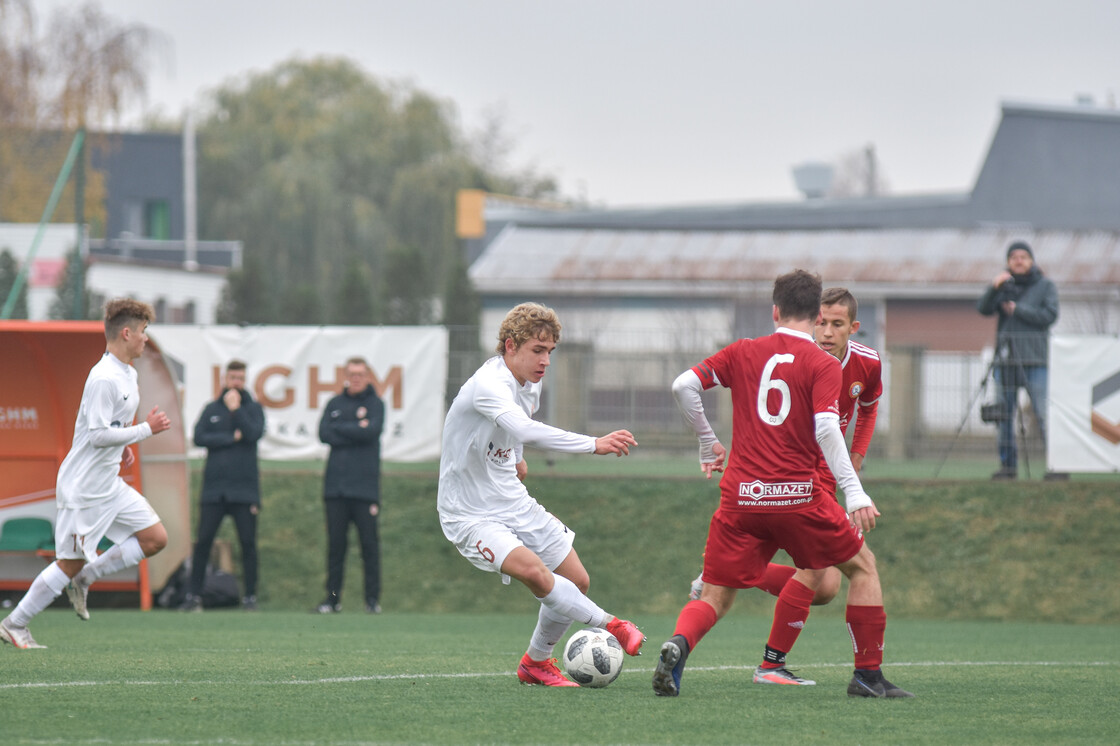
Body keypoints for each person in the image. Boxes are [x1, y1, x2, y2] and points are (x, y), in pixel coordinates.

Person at [652, 270, 912, 699]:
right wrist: (856, 491)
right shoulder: (823, 363)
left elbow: (684, 385)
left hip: (741, 498)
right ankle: (867, 676)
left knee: (720, 593)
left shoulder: (743, 351)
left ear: (774, 311)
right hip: (799, 497)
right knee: (862, 568)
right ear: (815, 316)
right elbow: (828, 428)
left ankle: (678, 646)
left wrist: (707, 443)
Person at [437, 302, 646, 687]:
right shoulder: (489, 385)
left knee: (577, 579)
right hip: (469, 513)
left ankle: (535, 662)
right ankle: (612, 623)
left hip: (511, 498)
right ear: (510, 346)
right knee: (535, 572)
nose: (545, 360)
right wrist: (593, 444)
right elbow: (526, 428)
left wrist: (516, 458)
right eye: (537, 350)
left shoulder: (529, 382)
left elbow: (520, 429)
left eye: (550, 351)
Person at [687, 287, 882, 612]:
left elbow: (869, 407)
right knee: (837, 573)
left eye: (838, 324)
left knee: (826, 588)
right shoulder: (792, 359)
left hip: (826, 471)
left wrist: (856, 458)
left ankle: (722, 575)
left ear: (853, 327)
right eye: (823, 323)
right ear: (812, 320)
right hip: (790, 476)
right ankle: (772, 659)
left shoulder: (868, 363)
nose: (827, 332)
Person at [1, 299, 172, 649]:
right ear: (126, 333)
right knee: (67, 563)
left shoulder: (128, 373)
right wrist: (144, 431)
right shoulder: (103, 378)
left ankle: (87, 577)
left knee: (155, 538)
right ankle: (14, 624)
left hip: (108, 484)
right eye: (142, 332)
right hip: (83, 488)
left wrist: (121, 445)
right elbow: (95, 436)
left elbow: (109, 428)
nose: (145, 339)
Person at [181, 360, 265, 612]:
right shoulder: (211, 409)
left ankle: (250, 596)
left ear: (245, 380)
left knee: (248, 543)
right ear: (225, 379)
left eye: (240, 378)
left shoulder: (253, 409)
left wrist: (237, 410)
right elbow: (199, 437)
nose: (236, 382)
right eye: (232, 378)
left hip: (244, 491)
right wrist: (230, 438)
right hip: (214, 490)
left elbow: (253, 434)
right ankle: (193, 596)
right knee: (204, 541)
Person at [977, 240, 1059, 480]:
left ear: (1032, 261)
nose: (1019, 260)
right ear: (1008, 262)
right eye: (1014, 257)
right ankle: (1008, 467)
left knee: (1044, 415)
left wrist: (1018, 310)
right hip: (1006, 362)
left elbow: (1050, 315)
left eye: (1023, 256)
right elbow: (983, 308)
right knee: (1004, 417)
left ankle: (1056, 467)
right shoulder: (1003, 286)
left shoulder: (1045, 286)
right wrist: (994, 287)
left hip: (1036, 361)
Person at [316, 357, 385, 614]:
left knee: (369, 547)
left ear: (367, 377)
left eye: (361, 374)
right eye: (352, 374)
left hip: (365, 490)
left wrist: (341, 430)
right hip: (335, 489)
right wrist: (356, 428)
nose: (356, 378)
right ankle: (332, 600)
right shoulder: (334, 403)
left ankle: (372, 601)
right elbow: (324, 434)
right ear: (345, 376)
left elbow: (372, 431)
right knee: (336, 548)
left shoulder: (375, 404)